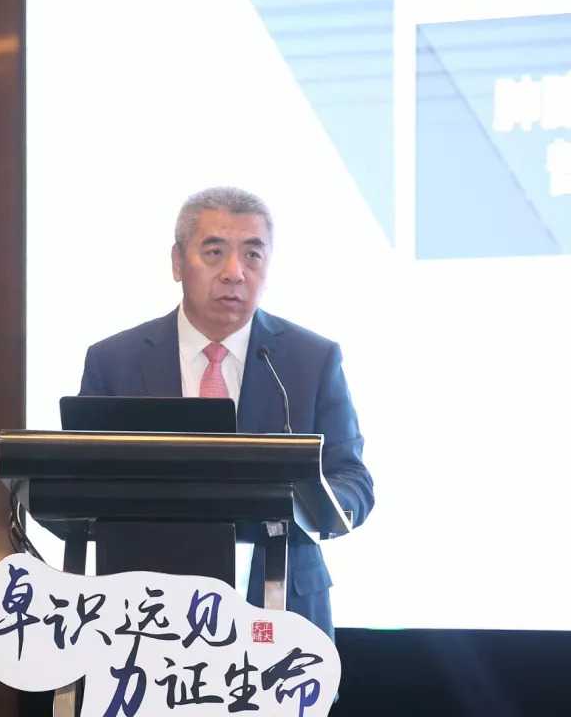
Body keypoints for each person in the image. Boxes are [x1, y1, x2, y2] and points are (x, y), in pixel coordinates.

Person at [78, 185, 374, 640]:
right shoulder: (115, 361)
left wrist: (306, 503)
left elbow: (352, 480)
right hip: (146, 617)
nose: (235, 273)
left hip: (281, 609)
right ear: (177, 262)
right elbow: (81, 484)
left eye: (253, 255)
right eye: (214, 252)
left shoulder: (311, 360)